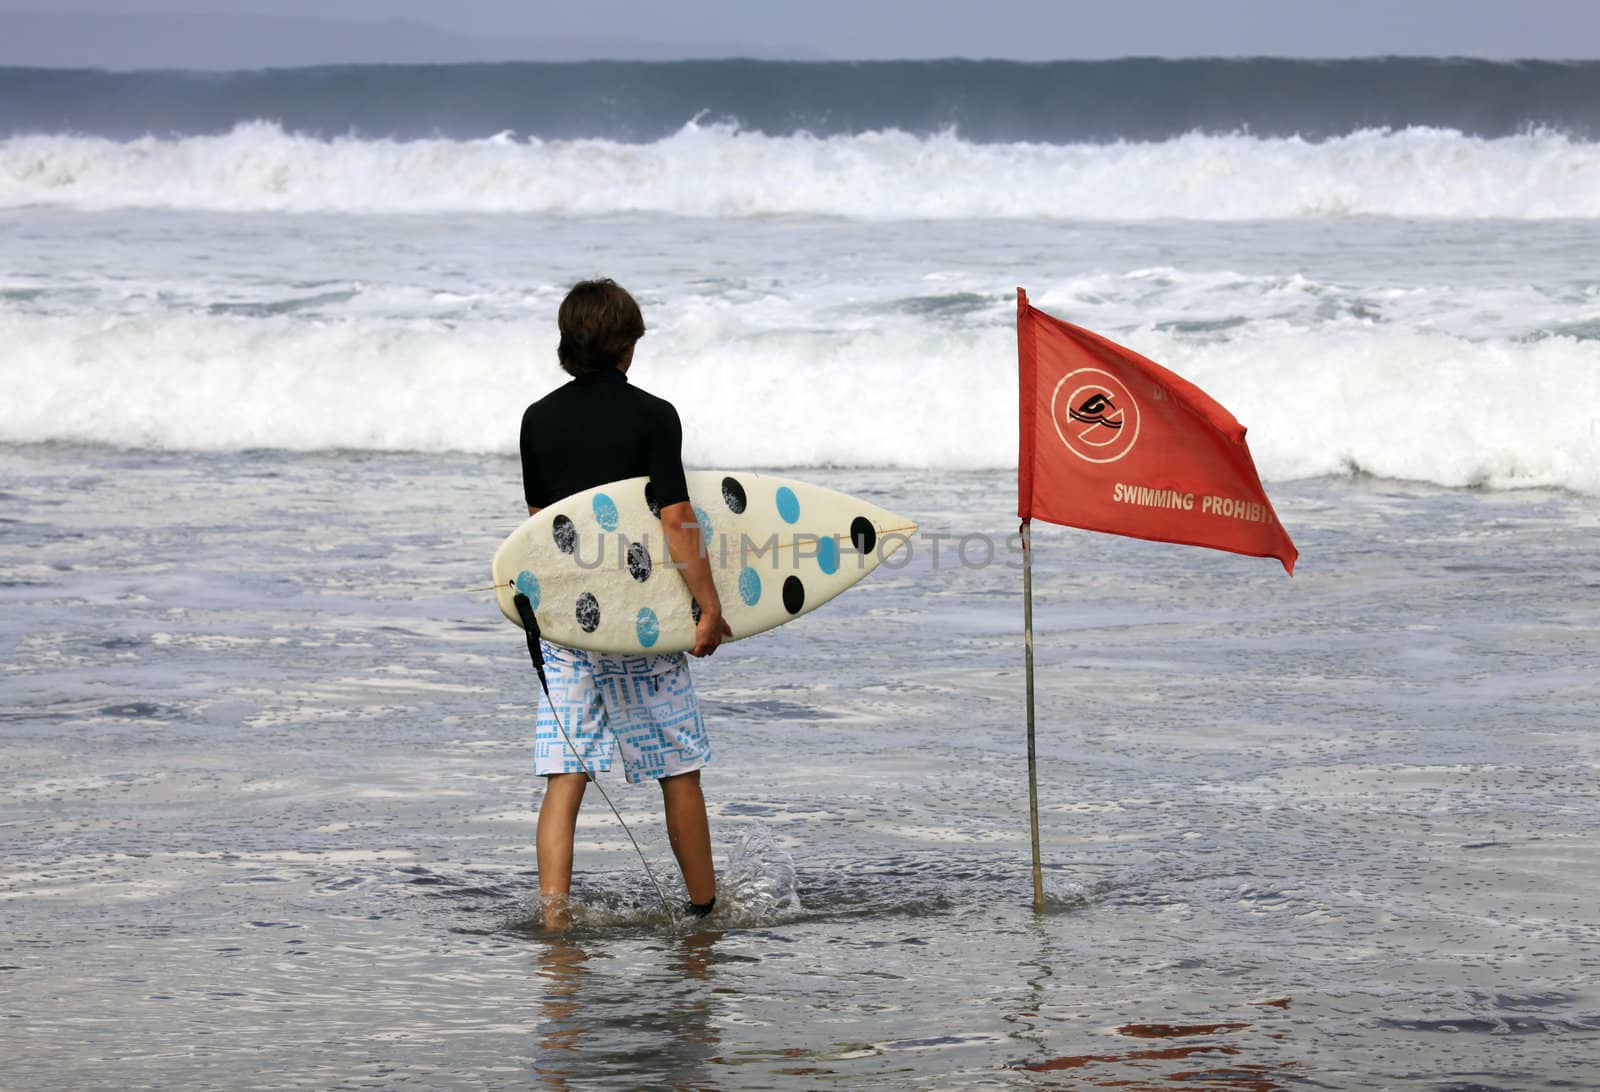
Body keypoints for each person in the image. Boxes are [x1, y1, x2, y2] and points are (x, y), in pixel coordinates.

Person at [519, 279, 731, 930]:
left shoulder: (537, 419)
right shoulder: (653, 415)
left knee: (566, 773)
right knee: (679, 770)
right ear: (626, 345)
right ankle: (703, 911)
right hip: (643, 623)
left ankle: (554, 920)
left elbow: (542, 530)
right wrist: (708, 606)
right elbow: (674, 519)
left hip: (571, 622)